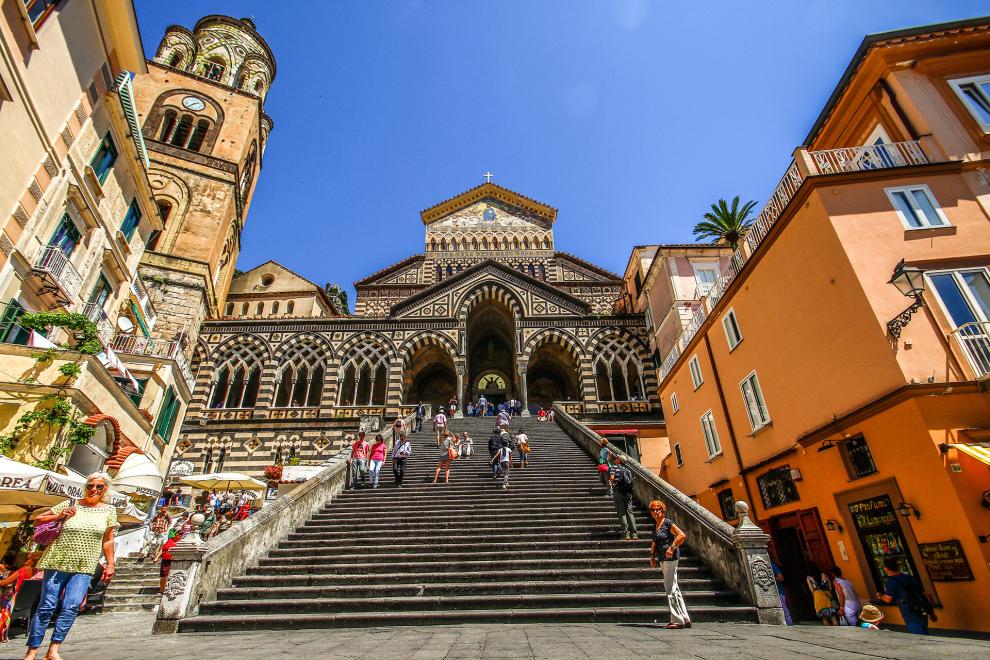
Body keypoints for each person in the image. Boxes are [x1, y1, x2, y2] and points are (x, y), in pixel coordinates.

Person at [25, 472, 117, 660]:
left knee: (72, 606)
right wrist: (59, 515)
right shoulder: (71, 504)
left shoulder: (109, 510)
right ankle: (32, 651)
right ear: (85, 487)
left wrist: (110, 564)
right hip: (57, 560)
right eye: (90, 485)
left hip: (84, 565)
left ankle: (53, 650)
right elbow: (37, 520)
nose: (94, 489)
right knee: (46, 606)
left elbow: (108, 540)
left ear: (105, 489)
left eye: (99, 486)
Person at [648, 500, 690, 629]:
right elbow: (654, 542)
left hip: (670, 558)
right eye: (653, 510)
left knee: (669, 587)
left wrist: (672, 547)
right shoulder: (656, 525)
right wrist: (652, 556)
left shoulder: (667, 523)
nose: (655, 512)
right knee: (674, 588)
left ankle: (677, 620)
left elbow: (681, 535)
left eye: (657, 509)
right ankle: (685, 617)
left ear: (662, 510)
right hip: (662, 558)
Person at [876, 557, 935, 635]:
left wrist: (880, 596)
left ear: (886, 568)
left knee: (919, 637)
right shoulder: (910, 578)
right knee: (925, 633)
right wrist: (931, 612)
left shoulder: (892, 581)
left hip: (909, 612)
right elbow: (925, 595)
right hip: (921, 610)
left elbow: (888, 599)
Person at [0, 552, 41, 642]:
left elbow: (3, 583)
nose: (25, 561)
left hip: (13, 604)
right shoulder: (38, 572)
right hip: (25, 605)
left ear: (31, 560)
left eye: (28, 559)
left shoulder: (23, 570)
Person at [609, 457, 637, 540]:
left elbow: (612, 478)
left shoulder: (614, 467)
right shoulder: (627, 469)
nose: (615, 458)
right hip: (628, 493)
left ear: (619, 460)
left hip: (619, 492)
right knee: (630, 512)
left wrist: (613, 482)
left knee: (622, 513)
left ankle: (626, 534)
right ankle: (634, 534)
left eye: (617, 458)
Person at [156, 530, 183, 594]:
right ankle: (161, 589)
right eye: (177, 534)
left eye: (180, 535)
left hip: (174, 560)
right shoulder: (169, 540)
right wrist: (157, 557)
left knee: (171, 575)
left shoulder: (181, 542)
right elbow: (162, 549)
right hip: (165, 559)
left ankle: (168, 588)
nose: (178, 535)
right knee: (163, 575)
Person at [771, 559, 794, 626]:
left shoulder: (772, 565)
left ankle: (789, 624)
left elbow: (781, 578)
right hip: (771, 592)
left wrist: (770, 578)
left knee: (784, 609)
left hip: (779, 591)